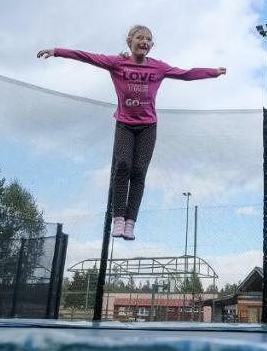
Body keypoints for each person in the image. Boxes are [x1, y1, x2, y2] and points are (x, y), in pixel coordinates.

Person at [38, 25, 225, 241]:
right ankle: (118, 218)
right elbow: (86, 57)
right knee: (123, 165)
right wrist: (57, 51)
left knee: (138, 171)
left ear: (151, 45)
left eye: (148, 39)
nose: (144, 41)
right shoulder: (117, 62)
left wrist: (213, 73)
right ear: (130, 41)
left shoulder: (158, 68)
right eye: (139, 37)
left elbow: (185, 74)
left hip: (148, 127)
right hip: (125, 125)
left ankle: (130, 223)